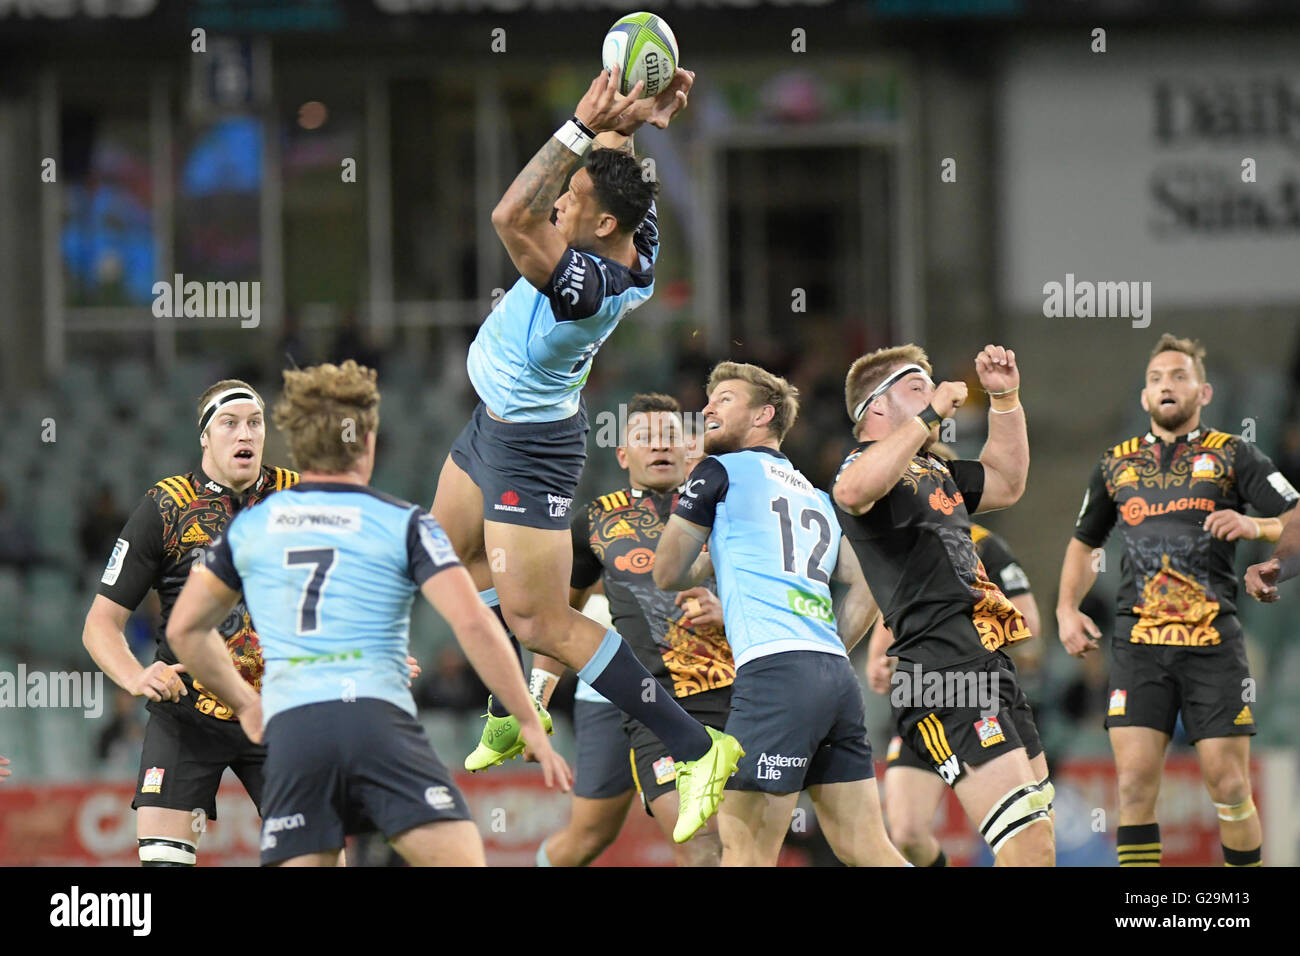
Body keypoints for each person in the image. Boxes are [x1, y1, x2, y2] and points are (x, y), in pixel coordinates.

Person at [431, 63, 739, 843]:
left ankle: (697, 747)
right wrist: (629, 122)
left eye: (571, 201)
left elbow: (509, 216)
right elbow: (597, 177)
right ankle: (512, 708)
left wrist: (578, 123)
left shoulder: (591, 284)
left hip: (531, 448)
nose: (558, 199)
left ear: (600, 229)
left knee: (544, 620)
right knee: (452, 552)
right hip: (494, 422)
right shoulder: (628, 223)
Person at [167, 361, 569, 867]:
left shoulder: (252, 528)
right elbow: (473, 624)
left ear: (297, 445)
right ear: (369, 442)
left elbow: (184, 629)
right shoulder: (404, 523)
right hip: (376, 724)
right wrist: (528, 723)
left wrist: (246, 704)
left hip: (294, 738)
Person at [1058, 334, 1297, 868]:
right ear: (1144, 398)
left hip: (1213, 644)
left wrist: (1273, 562)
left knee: (1230, 783)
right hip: (1139, 648)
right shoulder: (1114, 464)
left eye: (1179, 375)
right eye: (1156, 378)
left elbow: (1295, 515)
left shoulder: (1237, 455)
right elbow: (1084, 542)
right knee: (1136, 784)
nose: (1167, 384)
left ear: (1204, 392)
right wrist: (1065, 609)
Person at [655, 362, 906, 867]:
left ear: (763, 415)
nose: (707, 408)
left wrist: (702, 541)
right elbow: (869, 583)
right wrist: (825, 642)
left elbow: (666, 572)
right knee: (868, 850)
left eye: (724, 399)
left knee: (745, 850)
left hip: (773, 677)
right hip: (835, 677)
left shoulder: (718, 471)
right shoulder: (816, 495)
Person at [832, 344, 1053, 867]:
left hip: (985, 663)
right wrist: (931, 415)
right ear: (877, 410)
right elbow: (852, 490)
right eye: (917, 388)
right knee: (1023, 845)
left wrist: (1005, 399)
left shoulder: (934, 469)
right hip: (941, 672)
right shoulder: (863, 463)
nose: (932, 397)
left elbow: (1008, 481)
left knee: (1037, 846)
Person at [81, 378, 298, 866]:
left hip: (279, 712)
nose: (245, 433)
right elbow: (100, 624)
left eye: (255, 423)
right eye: (229, 423)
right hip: (187, 712)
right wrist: (137, 675)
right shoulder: (165, 506)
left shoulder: (299, 497)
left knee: (318, 859)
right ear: (204, 436)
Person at [536, 393, 734, 867]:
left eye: (670, 436)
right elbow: (557, 620)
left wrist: (726, 607)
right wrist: (534, 702)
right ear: (623, 455)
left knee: (718, 843)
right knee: (589, 837)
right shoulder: (594, 522)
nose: (659, 446)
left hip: (718, 688)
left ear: (691, 448)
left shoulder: (727, 513)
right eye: (645, 438)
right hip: (615, 691)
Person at [865, 520, 1044, 867]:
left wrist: (962, 633)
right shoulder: (906, 542)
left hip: (975, 693)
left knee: (1018, 829)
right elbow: (889, 611)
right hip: (918, 693)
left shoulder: (984, 545)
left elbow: (1030, 622)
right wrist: (876, 657)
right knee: (906, 833)